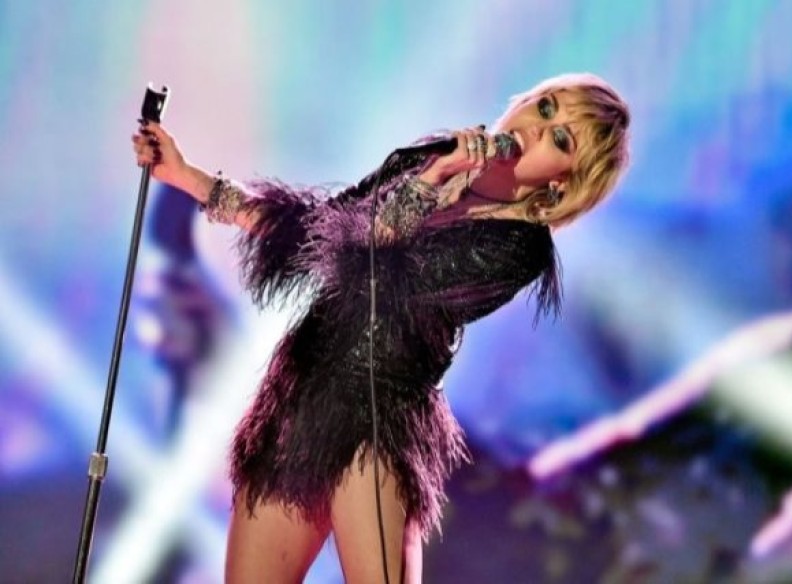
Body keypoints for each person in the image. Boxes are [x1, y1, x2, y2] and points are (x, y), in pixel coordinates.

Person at [131, 72, 630, 583]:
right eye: (545, 107)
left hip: (380, 420)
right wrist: (187, 177)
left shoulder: (519, 247)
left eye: (560, 139)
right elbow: (317, 226)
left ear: (562, 183)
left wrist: (431, 183)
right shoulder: (429, 160)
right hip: (304, 394)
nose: (537, 128)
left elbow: (377, 259)